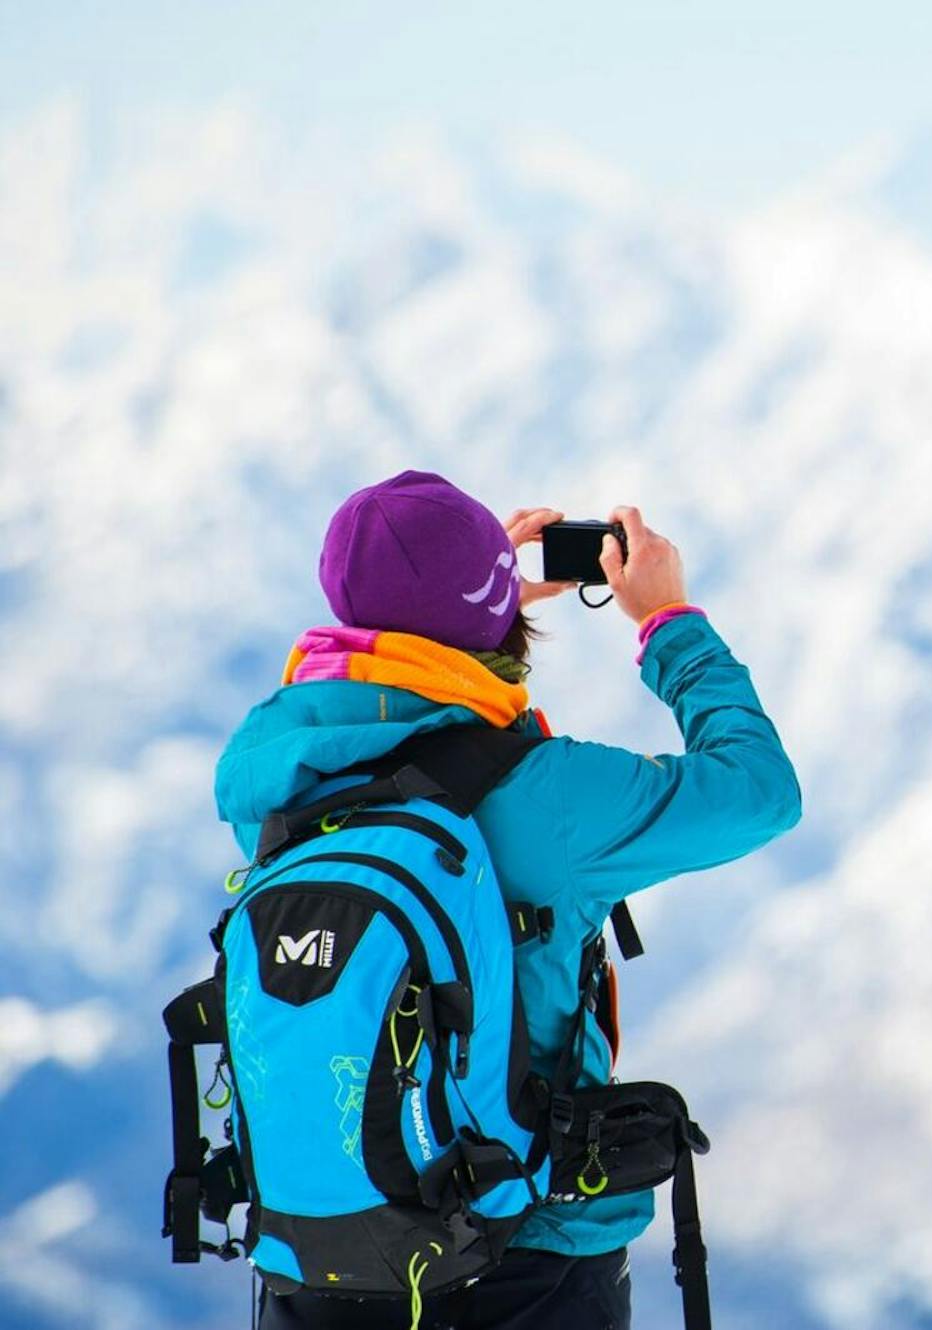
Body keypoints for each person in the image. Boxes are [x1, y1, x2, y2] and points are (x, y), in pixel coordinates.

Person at [212, 470, 802, 1328]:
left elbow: (397, 720)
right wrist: (669, 622)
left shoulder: (271, 778)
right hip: (528, 1261)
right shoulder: (548, 796)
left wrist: (465, 611)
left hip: (315, 1266)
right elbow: (760, 791)